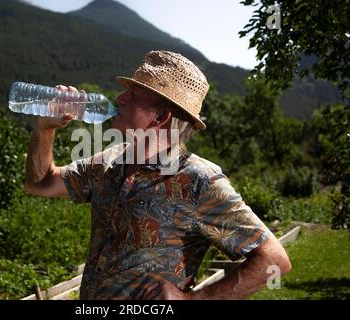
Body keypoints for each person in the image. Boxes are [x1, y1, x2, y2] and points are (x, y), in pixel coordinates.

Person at [23, 50, 291, 300]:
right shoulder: (107, 163)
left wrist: (192, 298)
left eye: (135, 95)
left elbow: (275, 261)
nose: (119, 98)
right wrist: (45, 128)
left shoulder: (199, 181)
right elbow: (39, 183)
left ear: (160, 116)